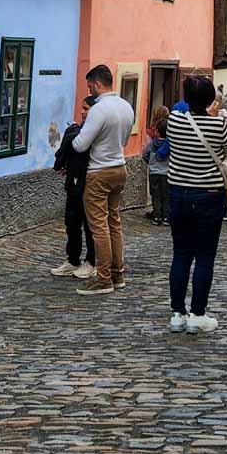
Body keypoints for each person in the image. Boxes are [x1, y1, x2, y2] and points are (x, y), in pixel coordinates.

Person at [165, 73, 227, 333]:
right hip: (207, 195)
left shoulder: (174, 120)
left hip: (178, 194)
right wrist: (217, 116)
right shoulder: (218, 125)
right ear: (209, 99)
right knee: (205, 256)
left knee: (181, 254)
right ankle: (197, 314)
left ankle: (177, 314)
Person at [71, 65, 136, 295]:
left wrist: (73, 136)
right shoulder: (126, 106)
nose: (90, 90)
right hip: (120, 167)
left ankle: (103, 277)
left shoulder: (99, 110)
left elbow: (81, 144)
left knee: (99, 226)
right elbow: (126, 139)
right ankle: (118, 274)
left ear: (98, 84)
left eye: (90, 86)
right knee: (114, 223)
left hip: (99, 170)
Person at [50, 96, 95, 278]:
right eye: (82, 108)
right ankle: (73, 259)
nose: (83, 111)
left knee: (90, 224)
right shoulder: (76, 129)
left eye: (87, 108)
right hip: (74, 181)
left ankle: (92, 261)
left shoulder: (94, 131)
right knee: (72, 222)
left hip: (90, 181)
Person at [141, 106, 171, 225]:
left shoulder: (152, 144)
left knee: (156, 195)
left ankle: (157, 215)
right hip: (166, 173)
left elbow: (145, 155)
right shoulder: (169, 145)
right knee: (166, 194)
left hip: (154, 173)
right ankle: (166, 216)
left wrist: (151, 163)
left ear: (156, 131)